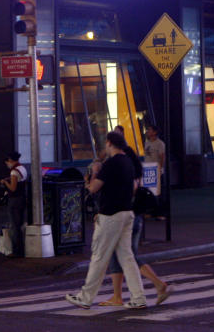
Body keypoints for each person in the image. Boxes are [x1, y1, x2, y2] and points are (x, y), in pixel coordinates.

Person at [65, 131, 147, 310]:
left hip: (110, 215)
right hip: (127, 213)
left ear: (109, 143)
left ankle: (86, 297)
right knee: (127, 257)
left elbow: (93, 188)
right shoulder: (128, 162)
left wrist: (94, 172)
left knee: (99, 256)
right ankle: (138, 297)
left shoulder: (111, 164)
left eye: (105, 144)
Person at [98, 142, 171, 307]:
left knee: (128, 255)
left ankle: (158, 283)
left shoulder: (127, 175)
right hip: (133, 218)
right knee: (118, 256)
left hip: (126, 218)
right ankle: (117, 296)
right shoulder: (132, 171)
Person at [0, 151, 27, 258]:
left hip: (14, 200)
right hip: (22, 198)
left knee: (14, 225)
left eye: (7, 161)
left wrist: (5, 182)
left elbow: (13, 188)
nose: (7, 163)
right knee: (19, 223)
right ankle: (20, 248)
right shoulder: (22, 168)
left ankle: (17, 250)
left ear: (11, 160)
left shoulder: (14, 172)